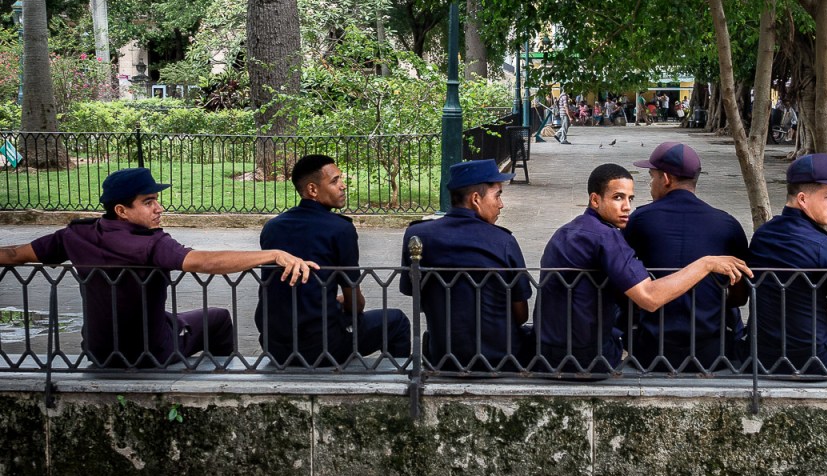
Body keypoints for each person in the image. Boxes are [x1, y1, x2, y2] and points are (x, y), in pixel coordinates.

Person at [0, 167, 315, 367]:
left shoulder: (75, 234)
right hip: (150, 352)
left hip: (98, 349)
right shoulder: (152, 243)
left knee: (173, 317)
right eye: (149, 201)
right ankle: (224, 378)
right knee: (218, 318)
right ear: (122, 210)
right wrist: (272, 254)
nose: (159, 207)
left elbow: (15, 255)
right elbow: (205, 262)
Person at [533, 163, 751, 372]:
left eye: (630, 198)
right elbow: (649, 298)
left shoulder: (566, 231)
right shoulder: (606, 238)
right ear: (595, 200)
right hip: (588, 359)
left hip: (545, 352)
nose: (627, 206)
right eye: (618, 198)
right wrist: (706, 263)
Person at [256, 155, 409, 366]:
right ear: (312, 190)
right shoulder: (340, 229)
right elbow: (355, 304)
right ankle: (398, 382)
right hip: (321, 348)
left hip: (275, 346)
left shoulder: (272, 227)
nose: (343, 186)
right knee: (397, 321)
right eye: (335, 181)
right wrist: (344, 302)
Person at [624, 142, 750, 370]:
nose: (651, 185)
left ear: (666, 179)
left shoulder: (638, 221)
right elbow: (741, 296)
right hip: (712, 355)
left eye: (652, 177)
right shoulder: (727, 224)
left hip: (650, 352)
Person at [400, 159, 532, 370]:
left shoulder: (417, 235)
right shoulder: (503, 241)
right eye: (497, 195)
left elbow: (412, 292)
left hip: (443, 358)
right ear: (476, 199)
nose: (501, 204)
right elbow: (521, 314)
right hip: (500, 359)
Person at [748, 154, 827, 373]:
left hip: (761, 357)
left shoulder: (762, 235)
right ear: (802, 199)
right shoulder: (824, 246)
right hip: (815, 360)